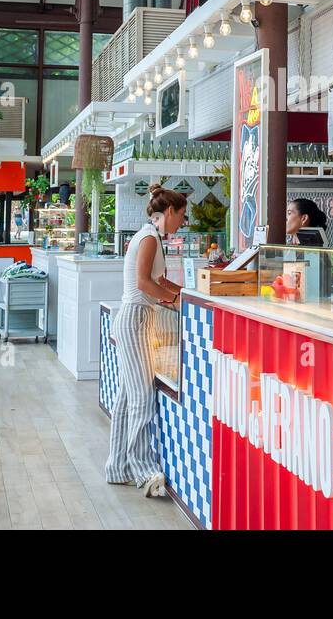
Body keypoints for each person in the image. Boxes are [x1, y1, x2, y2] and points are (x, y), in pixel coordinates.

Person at [105, 183, 188, 497]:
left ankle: (117, 468)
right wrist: (174, 302)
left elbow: (159, 280)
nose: (181, 222)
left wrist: (184, 296)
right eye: (181, 216)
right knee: (141, 398)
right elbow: (143, 283)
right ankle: (143, 471)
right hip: (136, 318)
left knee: (128, 399)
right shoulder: (150, 237)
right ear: (168, 211)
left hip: (137, 318)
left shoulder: (149, 236)